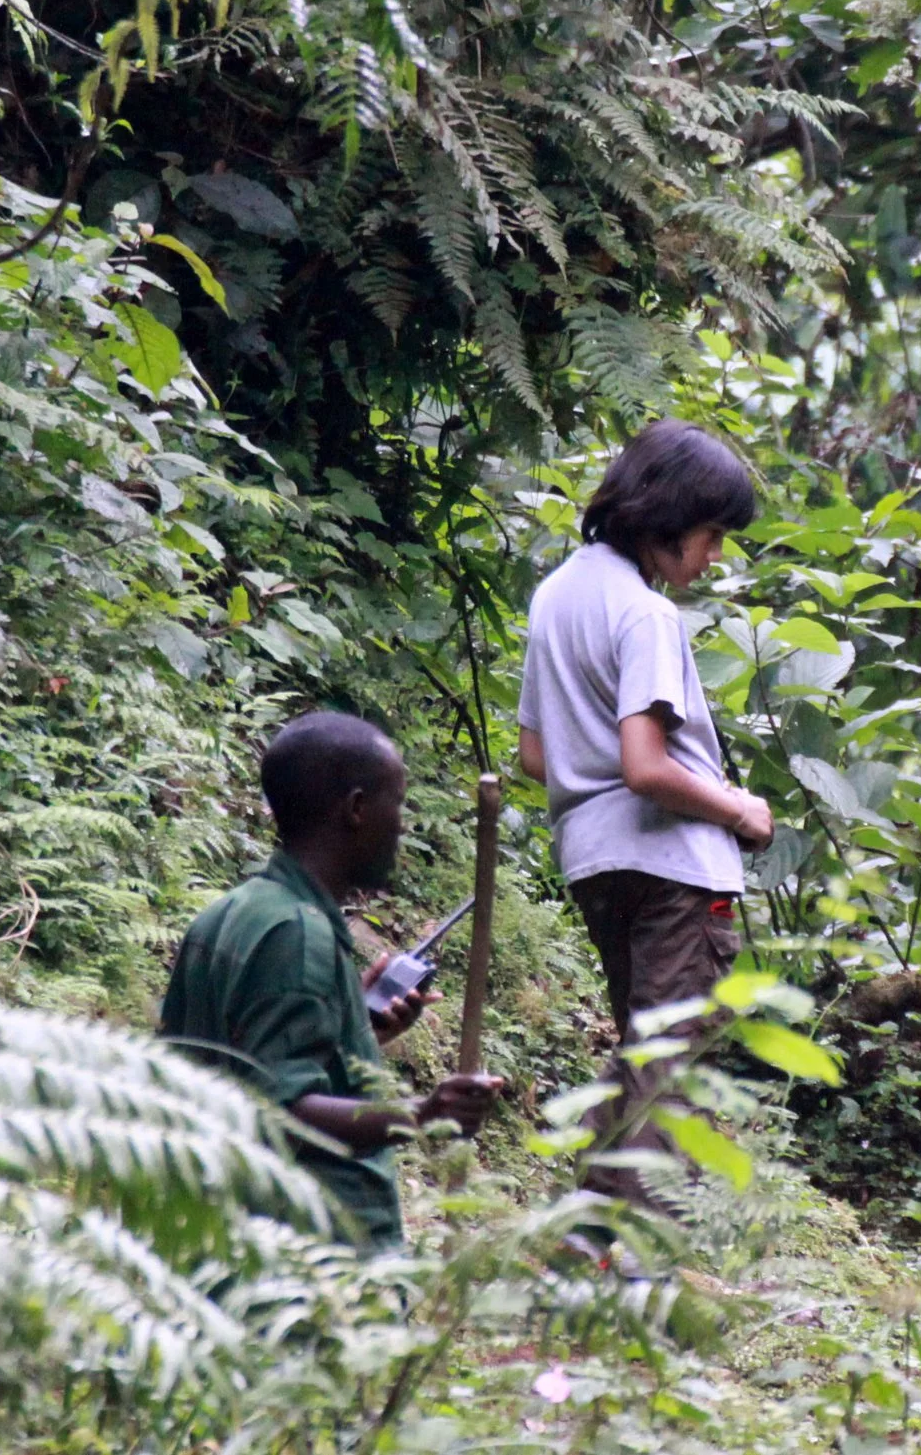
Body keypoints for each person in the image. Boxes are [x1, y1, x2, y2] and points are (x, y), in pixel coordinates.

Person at [516, 420, 775, 1208]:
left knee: (645, 1052)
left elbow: (536, 754)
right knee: (671, 1070)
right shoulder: (647, 614)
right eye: (711, 533)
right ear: (665, 517)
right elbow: (647, 765)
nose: (715, 554)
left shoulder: (557, 593)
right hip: (675, 872)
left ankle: (590, 1238)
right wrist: (740, 808)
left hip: (595, 863)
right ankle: (641, 1259)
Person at [160, 710, 504, 1250]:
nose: (403, 825)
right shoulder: (297, 935)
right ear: (357, 809)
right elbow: (284, 1110)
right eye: (398, 803)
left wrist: (358, 1028)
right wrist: (425, 1113)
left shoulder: (230, 914)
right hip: (312, 1261)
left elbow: (238, 1065)